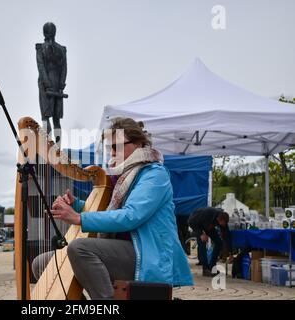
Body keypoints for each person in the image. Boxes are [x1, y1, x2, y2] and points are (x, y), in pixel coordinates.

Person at [33, 117, 193, 299]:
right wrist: (77, 205)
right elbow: (110, 212)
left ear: (139, 144)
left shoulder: (154, 174)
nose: (113, 153)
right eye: (111, 148)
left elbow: (130, 216)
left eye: (117, 146)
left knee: (80, 248)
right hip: (125, 249)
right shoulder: (123, 176)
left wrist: (79, 218)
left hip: (149, 254)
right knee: (42, 263)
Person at [36, 22, 67, 145]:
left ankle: (49, 144)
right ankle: (58, 146)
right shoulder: (62, 49)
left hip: (46, 84)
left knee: (45, 116)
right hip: (57, 84)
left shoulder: (40, 48)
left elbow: (41, 66)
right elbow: (64, 69)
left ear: (44, 33)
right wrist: (61, 84)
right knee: (56, 119)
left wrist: (47, 83)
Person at [188, 207, 233, 277]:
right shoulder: (207, 213)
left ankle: (212, 267)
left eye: (223, 225)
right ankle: (205, 269)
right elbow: (190, 222)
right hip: (196, 224)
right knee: (202, 242)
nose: (221, 226)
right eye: (221, 224)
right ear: (218, 219)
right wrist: (201, 234)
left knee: (219, 242)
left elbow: (226, 236)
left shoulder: (223, 221)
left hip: (208, 226)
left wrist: (230, 252)